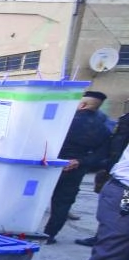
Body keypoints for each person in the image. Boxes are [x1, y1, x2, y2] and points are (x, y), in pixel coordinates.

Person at [43, 91, 111, 245]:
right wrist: (80, 161)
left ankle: (23, 231)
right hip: (75, 170)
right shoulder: (103, 129)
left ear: (82, 104)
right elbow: (101, 154)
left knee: (34, 198)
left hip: (49, 165)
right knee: (63, 203)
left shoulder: (63, 121)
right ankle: (49, 235)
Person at [79, 110, 129, 247]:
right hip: (118, 173)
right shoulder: (125, 117)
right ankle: (102, 238)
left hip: (125, 184)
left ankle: (107, 242)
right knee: (111, 214)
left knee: (121, 216)